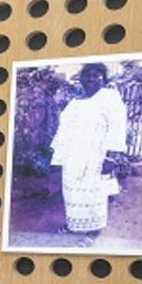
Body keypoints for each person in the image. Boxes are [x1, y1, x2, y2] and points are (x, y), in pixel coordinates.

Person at [51, 62, 128, 233]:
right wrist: (59, 153)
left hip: (96, 154)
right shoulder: (76, 102)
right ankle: (73, 224)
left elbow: (117, 127)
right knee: (72, 192)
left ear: (104, 78)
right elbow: (64, 128)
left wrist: (111, 157)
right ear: (81, 78)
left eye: (96, 75)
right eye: (87, 74)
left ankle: (94, 228)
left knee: (94, 192)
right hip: (73, 155)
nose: (91, 78)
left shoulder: (110, 98)